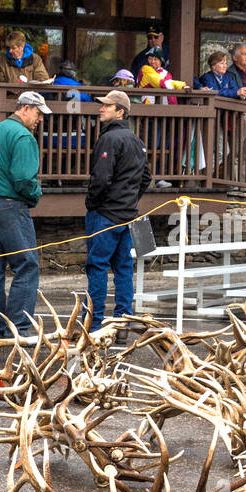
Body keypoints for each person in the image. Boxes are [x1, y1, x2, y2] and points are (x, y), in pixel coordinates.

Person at [0, 91, 49, 338]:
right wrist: (35, 194)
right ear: (25, 108)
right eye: (37, 113)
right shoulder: (24, 137)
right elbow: (24, 179)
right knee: (27, 265)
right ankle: (19, 328)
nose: (39, 119)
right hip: (11, 207)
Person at [84, 89, 151, 327]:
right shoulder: (137, 141)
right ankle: (123, 321)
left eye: (107, 106)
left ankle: (93, 323)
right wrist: (130, 199)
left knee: (97, 266)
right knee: (123, 268)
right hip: (128, 214)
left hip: (105, 214)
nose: (101, 108)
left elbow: (101, 178)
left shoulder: (109, 138)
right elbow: (146, 178)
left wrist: (93, 203)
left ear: (120, 111)